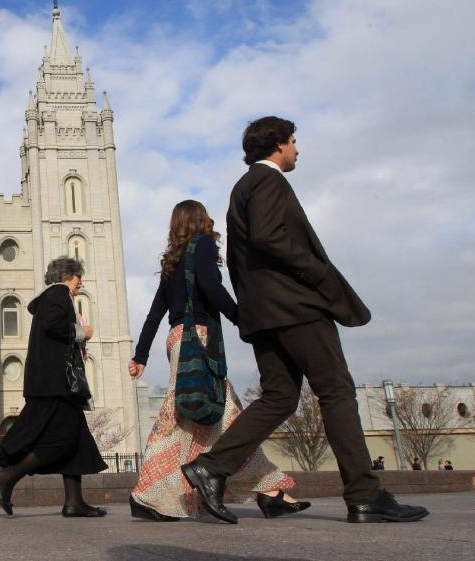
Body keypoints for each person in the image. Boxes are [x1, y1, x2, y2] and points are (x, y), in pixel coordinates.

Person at [180, 116, 429, 524]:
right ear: (277, 145)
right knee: (336, 390)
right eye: (294, 141)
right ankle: (365, 494)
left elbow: (245, 262)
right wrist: (315, 272)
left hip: (264, 313)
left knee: (279, 396)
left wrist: (255, 305)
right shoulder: (267, 181)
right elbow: (267, 236)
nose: (297, 149)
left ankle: (211, 467)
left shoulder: (240, 189)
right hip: (295, 307)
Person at [128, 200, 307, 521]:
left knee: (197, 420)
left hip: (177, 339)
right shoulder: (204, 246)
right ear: (201, 220)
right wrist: (242, 318)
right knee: (213, 417)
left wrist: (140, 355)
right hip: (198, 339)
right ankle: (149, 494)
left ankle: (267, 491)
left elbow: (156, 312)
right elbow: (212, 286)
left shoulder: (173, 260)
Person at [0, 257, 108, 518]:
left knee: (76, 441)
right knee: (61, 439)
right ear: (69, 276)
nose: (81, 283)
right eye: (79, 278)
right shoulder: (58, 294)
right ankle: (7, 476)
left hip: (53, 383)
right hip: (55, 384)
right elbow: (53, 325)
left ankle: (74, 502)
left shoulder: (54, 296)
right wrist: (81, 332)